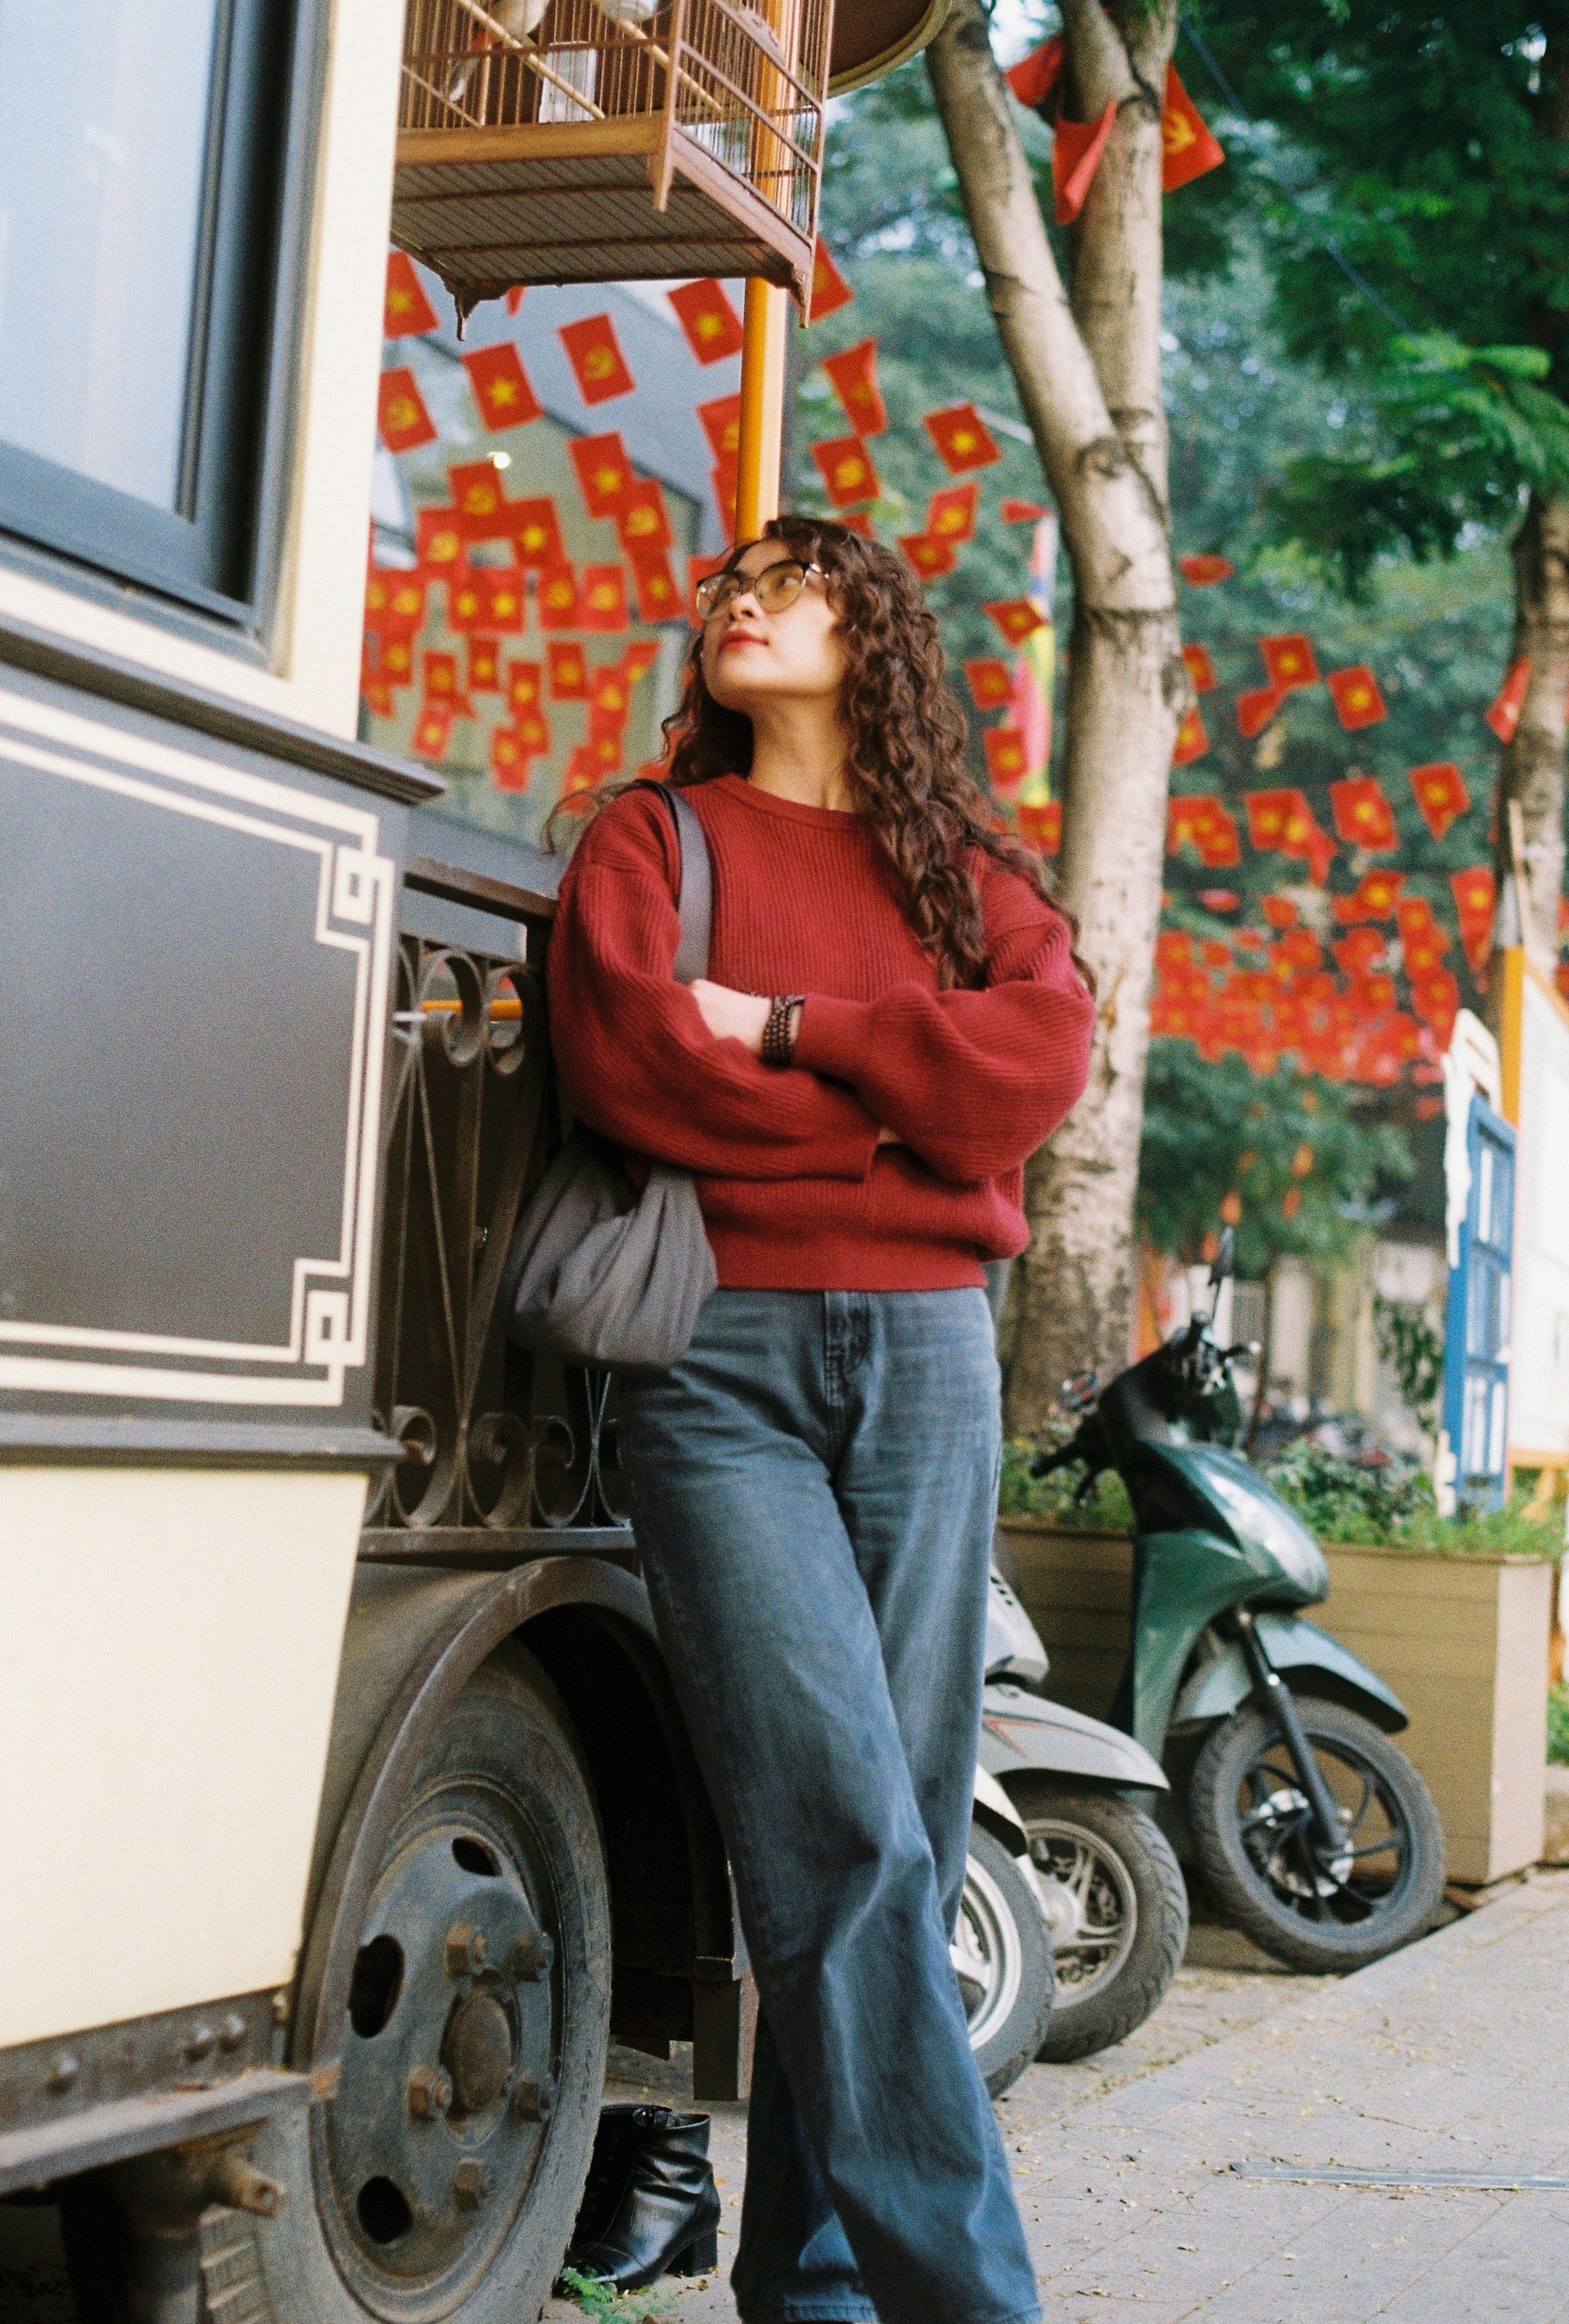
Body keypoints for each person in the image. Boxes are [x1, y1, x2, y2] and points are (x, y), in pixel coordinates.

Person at [547, 516, 1094, 2324]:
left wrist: (785, 1030)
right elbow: (637, 1065)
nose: (739, 602)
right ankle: (973, 2301)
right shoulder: (655, 838)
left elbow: (1033, 1070)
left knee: (898, 1838)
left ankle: (822, 2291)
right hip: (718, 1366)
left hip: (933, 1359)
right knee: (845, 1828)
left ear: (870, 633)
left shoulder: (964, 868)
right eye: (727, 585)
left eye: (782, 583)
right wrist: (894, 1108)